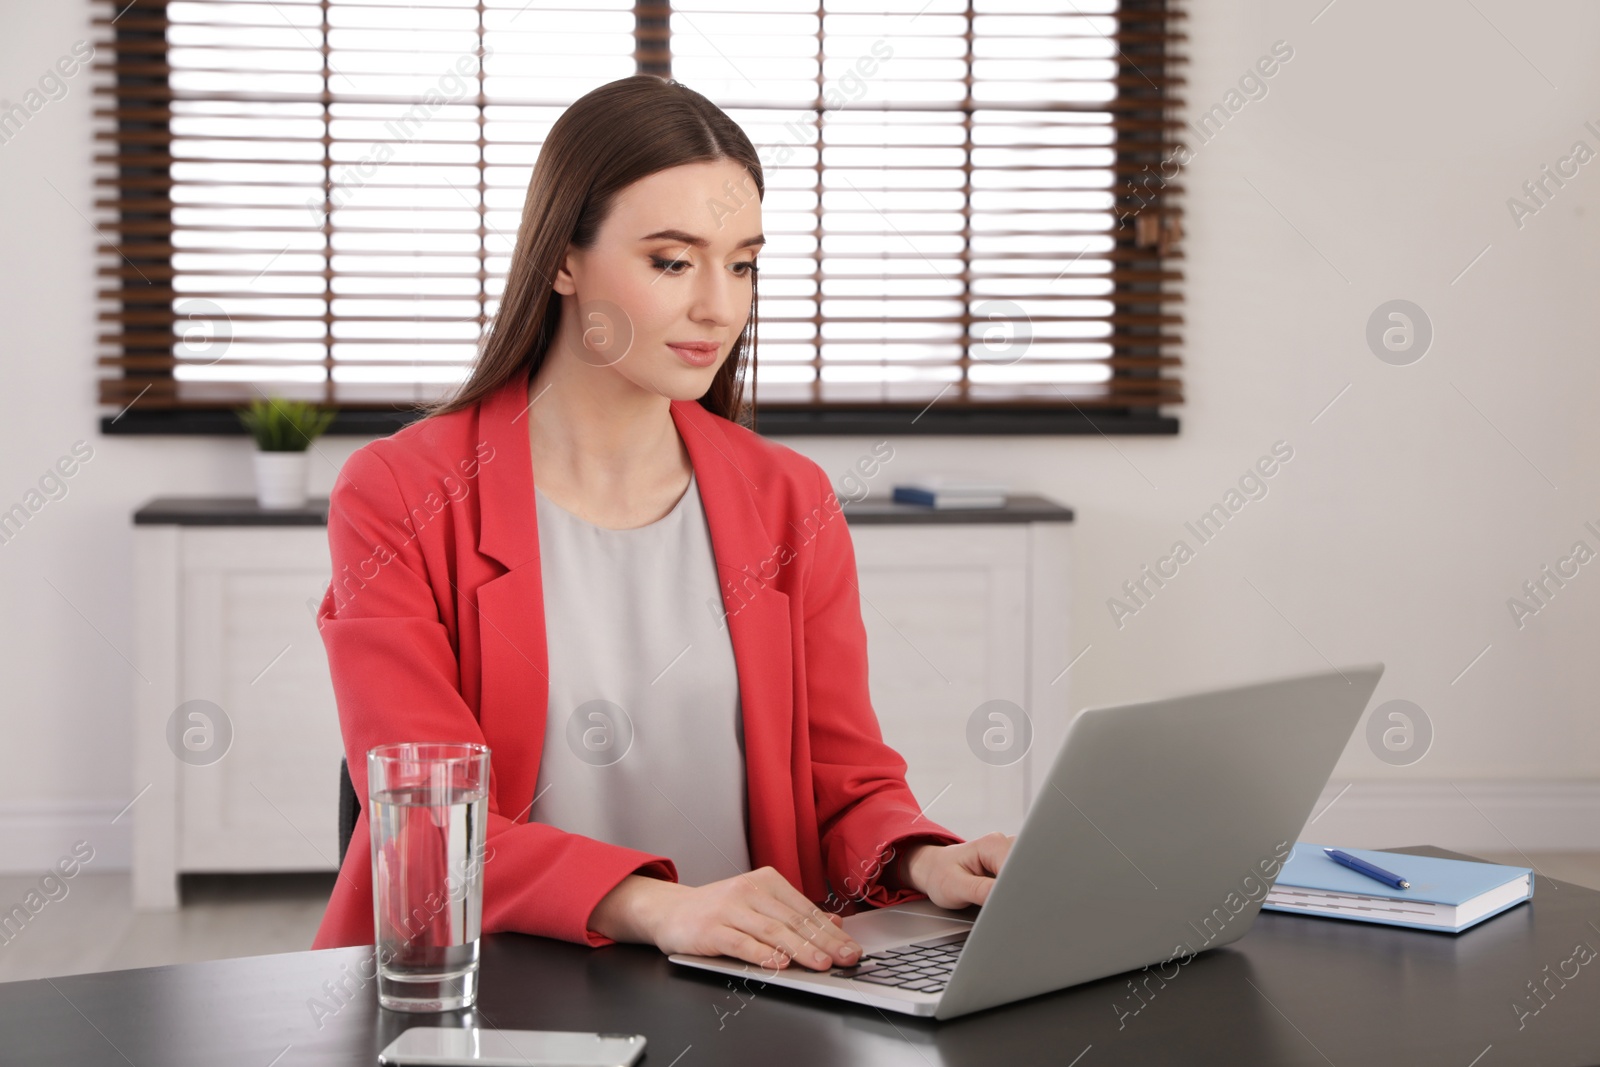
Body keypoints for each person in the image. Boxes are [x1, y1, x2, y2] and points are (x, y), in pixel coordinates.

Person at [311, 75, 1015, 974]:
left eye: (744, 262)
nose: (720, 306)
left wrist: (923, 857)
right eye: (672, 261)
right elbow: (429, 822)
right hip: (496, 987)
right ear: (564, 261)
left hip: (751, 988)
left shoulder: (787, 498)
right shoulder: (399, 490)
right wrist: (662, 907)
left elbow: (847, 785)